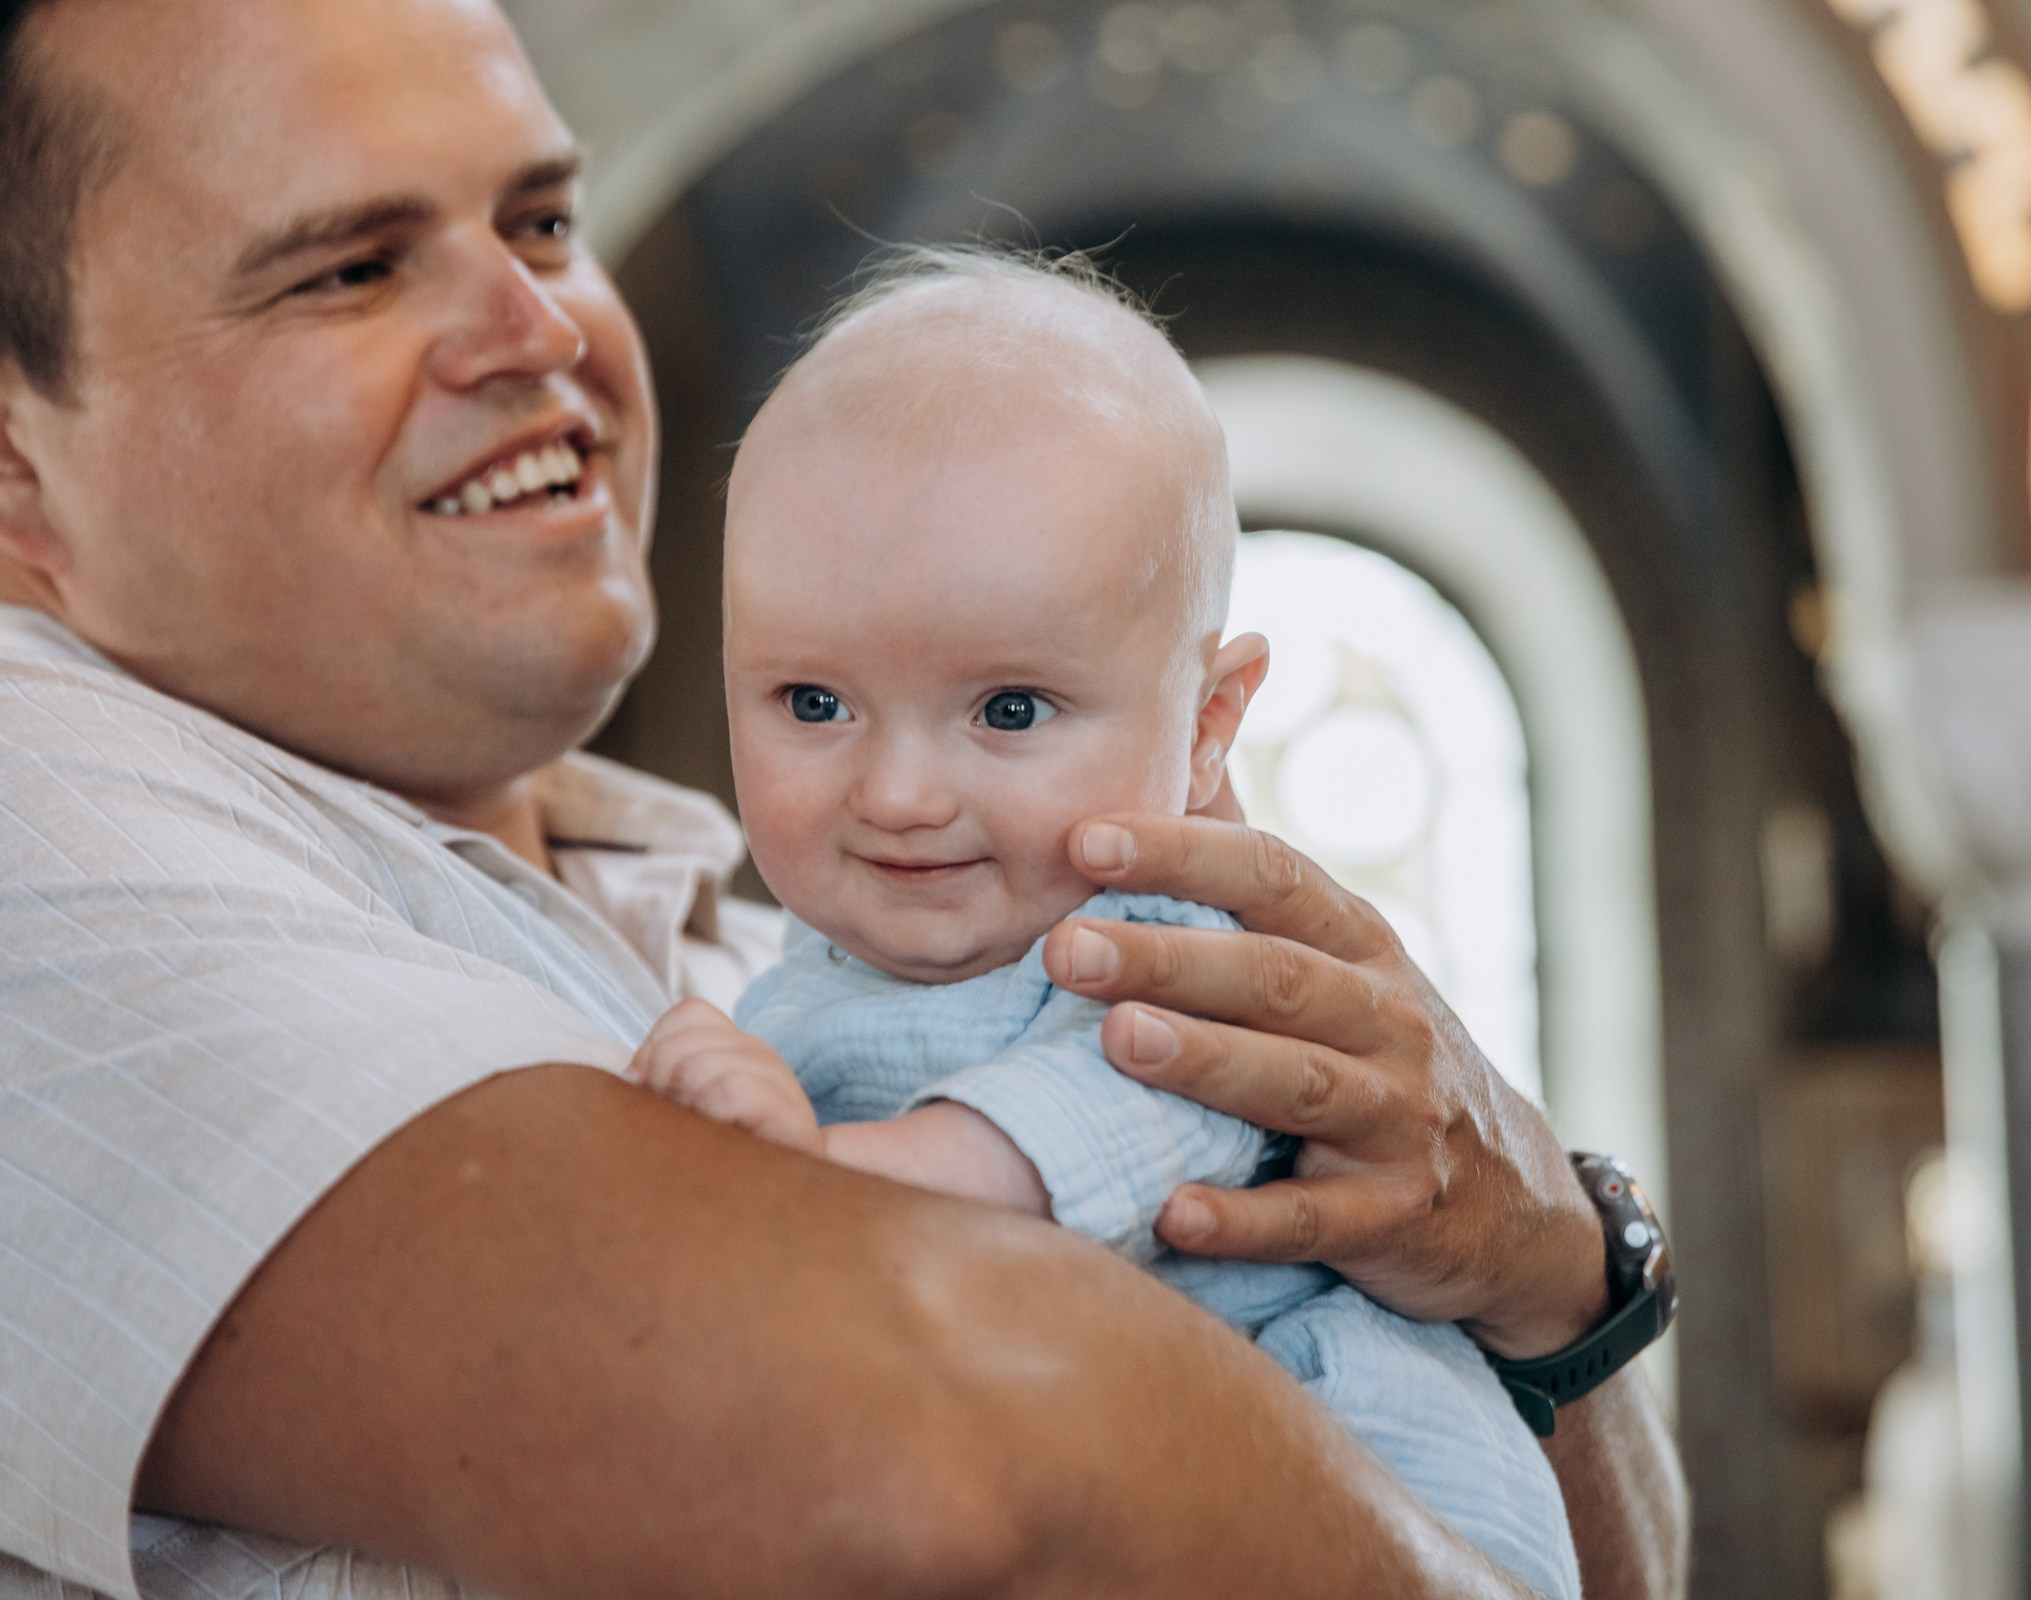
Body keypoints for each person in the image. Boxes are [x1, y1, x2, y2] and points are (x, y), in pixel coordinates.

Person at [0, 0, 1688, 1596]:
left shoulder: (804, 945)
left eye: (537, 223)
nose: (544, 329)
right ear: (18, 462)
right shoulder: (41, 831)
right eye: (351, 270)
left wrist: (1552, 1272)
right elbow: (949, 1452)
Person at [628, 247, 1580, 1600]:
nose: (897, 795)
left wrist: (796, 1171)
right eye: (812, 704)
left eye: (1009, 710)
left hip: (1372, 1489)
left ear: (1206, 728)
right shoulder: (807, 973)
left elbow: (1064, 1154)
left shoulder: (1171, 947)